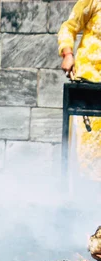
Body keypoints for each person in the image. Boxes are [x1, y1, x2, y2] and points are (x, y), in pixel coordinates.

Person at [58, 0, 101, 181]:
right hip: (88, 83)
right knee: (88, 147)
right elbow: (69, 27)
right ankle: (85, 196)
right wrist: (68, 54)